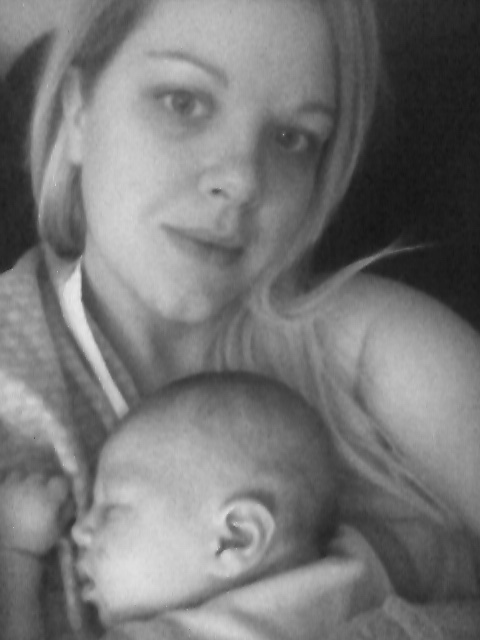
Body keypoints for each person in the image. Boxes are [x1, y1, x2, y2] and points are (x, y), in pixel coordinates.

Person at [0, 0, 479, 638]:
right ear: (78, 109)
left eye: (292, 138)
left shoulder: (381, 350)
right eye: (184, 102)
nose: (242, 179)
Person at [1, 372, 392, 639]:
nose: (79, 530)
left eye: (112, 510)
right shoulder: (363, 567)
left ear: (234, 538)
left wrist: (16, 554)